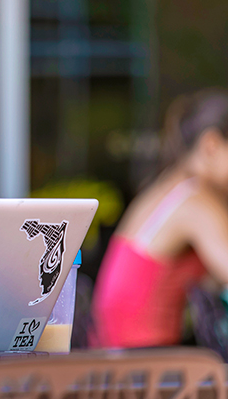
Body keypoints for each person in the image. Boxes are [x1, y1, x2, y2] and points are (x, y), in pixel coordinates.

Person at [91, 88, 228, 348]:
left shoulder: (171, 187)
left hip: (119, 354)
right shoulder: (196, 199)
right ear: (211, 144)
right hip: (145, 365)